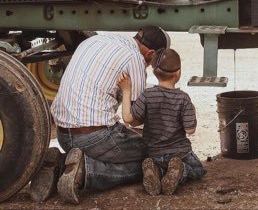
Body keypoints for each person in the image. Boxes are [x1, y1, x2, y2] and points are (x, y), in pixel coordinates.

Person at [29, 26, 170, 204]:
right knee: (153, 157)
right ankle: (86, 171)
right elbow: (135, 119)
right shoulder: (135, 58)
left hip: (64, 135)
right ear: (150, 54)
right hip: (95, 138)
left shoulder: (93, 41)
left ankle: (60, 164)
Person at [117, 48, 207, 196]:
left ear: (154, 72)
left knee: (160, 163)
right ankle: (180, 171)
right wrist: (191, 109)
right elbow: (190, 129)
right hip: (180, 153)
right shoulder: (183, 98)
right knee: (198, 170)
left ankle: (156, 170)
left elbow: (128, 118)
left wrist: (126, 91)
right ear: (178, 73)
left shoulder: (148, 95)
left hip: (154, 153)